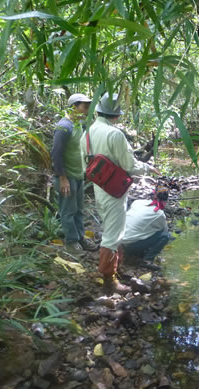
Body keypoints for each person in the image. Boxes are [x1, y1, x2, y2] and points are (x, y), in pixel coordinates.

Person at [82, 92, 159, 294]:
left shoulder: (88, 132)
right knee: (113, 234)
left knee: (110, 227)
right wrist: (148, 168)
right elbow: (129, 165)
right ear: (115, 116)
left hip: (99, 187)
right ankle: (109, 280)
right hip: (114, 190)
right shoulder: (115, 134)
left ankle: (115, 270)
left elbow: (86, 163)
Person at [50, 93, 97, 253]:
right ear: (73, 107)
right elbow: (56, 153)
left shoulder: (79, 125)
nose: (87, 110)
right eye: (85, 106)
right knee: (68, 210)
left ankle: (80, 237)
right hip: (66, 176)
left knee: (78, 209)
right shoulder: (64, 126)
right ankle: (71, 241)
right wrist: (62, 178)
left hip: (78, 175)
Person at [122, 185, 171, 271]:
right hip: (129, 247)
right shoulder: (159, 214)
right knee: (165, 235)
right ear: (165, 200)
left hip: (119, 241)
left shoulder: (138, 202)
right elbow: (164, 230)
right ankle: (147, 260)